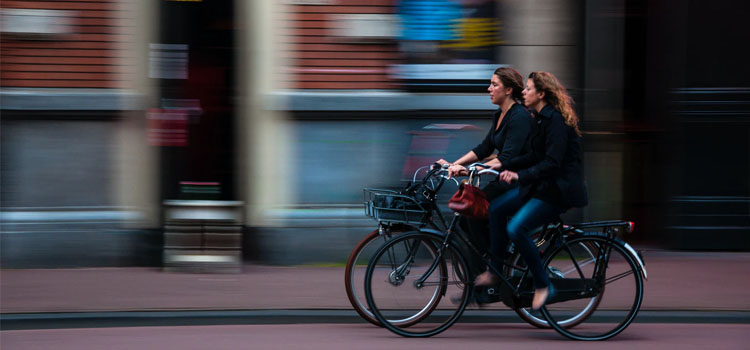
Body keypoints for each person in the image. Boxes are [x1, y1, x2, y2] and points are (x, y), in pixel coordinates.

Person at [474, 71, 588, 311]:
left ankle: (544, 285)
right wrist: (503, 165)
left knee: (516, 228)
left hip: (557, 191)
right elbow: (533, 155)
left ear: (542, 93)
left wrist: (519, 175)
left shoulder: (555, 121)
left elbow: (552, 163)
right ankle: (495, 271)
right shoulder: (539, 118)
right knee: (496, 209)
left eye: (528, 89)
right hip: (540, 186)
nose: (523, 92)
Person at [437, 66, 533, 200]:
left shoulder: (519, 117)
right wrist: (453, 165)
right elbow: (484, 148)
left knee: (475, 209)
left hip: (519, 181)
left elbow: (507, 157)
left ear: (508, 90)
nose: (489, 89)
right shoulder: (500, 114)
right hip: (503, 178)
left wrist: (472, 169)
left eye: (494, 85)